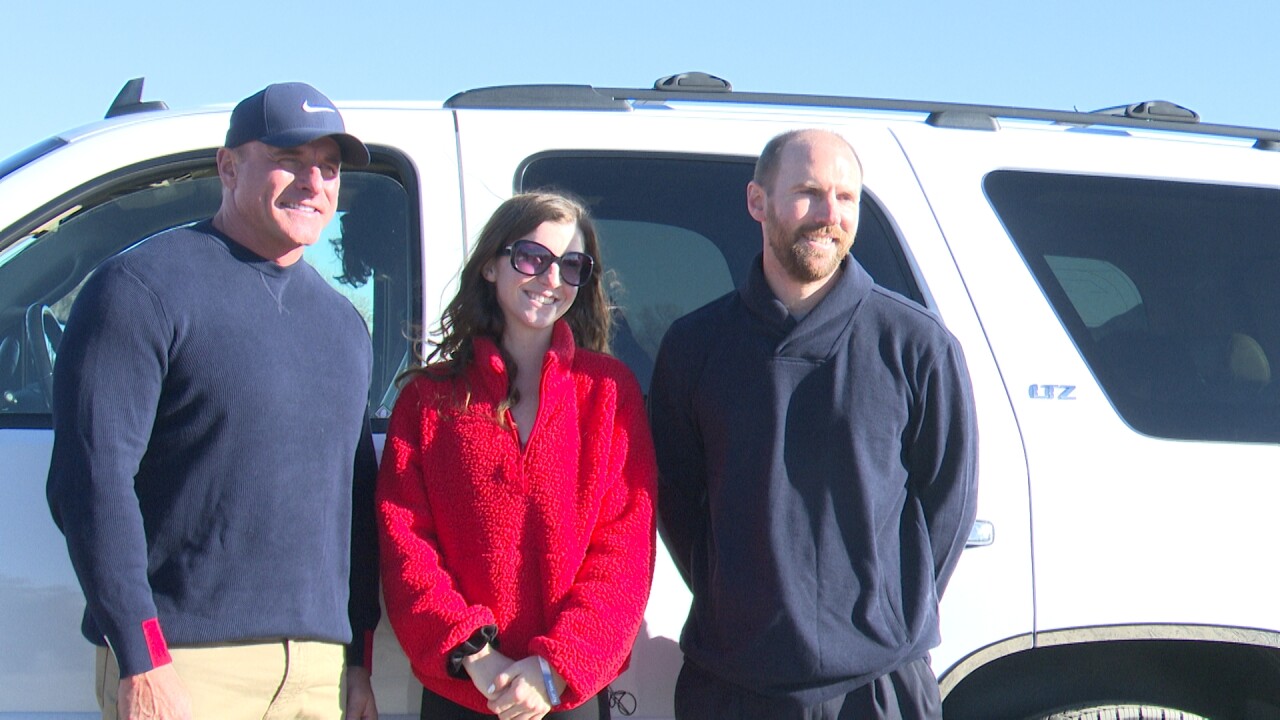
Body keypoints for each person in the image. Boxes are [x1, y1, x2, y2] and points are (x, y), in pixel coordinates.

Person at [46, 82, 382, 720]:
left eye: (330, 168)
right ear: (228, 166)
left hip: (317, 674)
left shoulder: (342, 325)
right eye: (290, 158)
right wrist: (142, 661)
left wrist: (357, 659)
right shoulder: (140, 288)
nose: (314, 182)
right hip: (186, 666)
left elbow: (352, 504)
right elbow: (90, 482)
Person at [648, 129, 978, 719]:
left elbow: (947, 502)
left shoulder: (916, 344)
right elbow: (676, 499)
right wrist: (739, 598)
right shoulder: (694, 346)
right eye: (807, 193)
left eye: (846, 198)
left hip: (877, 689)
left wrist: (885, 614)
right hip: (730, 684)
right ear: (757, 202)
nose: (830, 215)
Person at [377, 191, 657, 720]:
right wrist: (474, 654)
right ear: (490, 264)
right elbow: (404, 541)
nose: (551, 278)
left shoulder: (609, 394)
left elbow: (624, 549)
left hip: (566, 692)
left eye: (570, 265)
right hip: (464, 688)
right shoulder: (428, 401)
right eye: (532, 257)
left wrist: (553, 669)